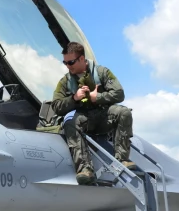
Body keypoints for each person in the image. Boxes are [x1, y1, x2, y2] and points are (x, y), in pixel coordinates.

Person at [51, 41, 136, 185]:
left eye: (71, 62)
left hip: (104, 116)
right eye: (65, 63)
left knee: (124, 112)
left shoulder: (102, 73)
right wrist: (74, 98)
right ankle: (85, 169)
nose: (68, 66)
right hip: (84, 119)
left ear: (82, 59)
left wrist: (98, 97)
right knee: (70, 121)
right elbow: (56, 106)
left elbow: (119, 94)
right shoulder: (65, 81)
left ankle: (122, 159)